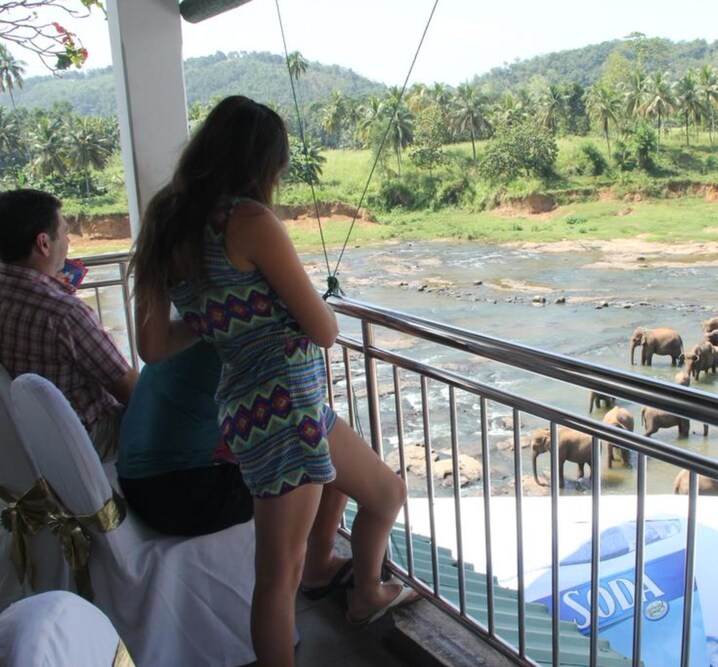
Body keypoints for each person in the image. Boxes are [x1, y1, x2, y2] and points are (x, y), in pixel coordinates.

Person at [129, 96, 414, 666]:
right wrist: (275, 313)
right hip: (285, 409)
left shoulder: (166, 219)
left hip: (262, 404)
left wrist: (220, 321)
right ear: (262, 162)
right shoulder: (250, 221)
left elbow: (153, 345)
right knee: (278, 578)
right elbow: (324, 329)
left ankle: (365, 594)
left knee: (386, 492)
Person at [0, 189, 137, 460]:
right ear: (44, 243)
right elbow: (131, 391)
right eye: (64, 232)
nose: (68, 241)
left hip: (31, 437)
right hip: (87, 438)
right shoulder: (65, 314)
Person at [116, 340, 253, 536]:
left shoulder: (185, 326)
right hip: (178, 496)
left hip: (134, 482)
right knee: (293, 475)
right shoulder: (247, 337)